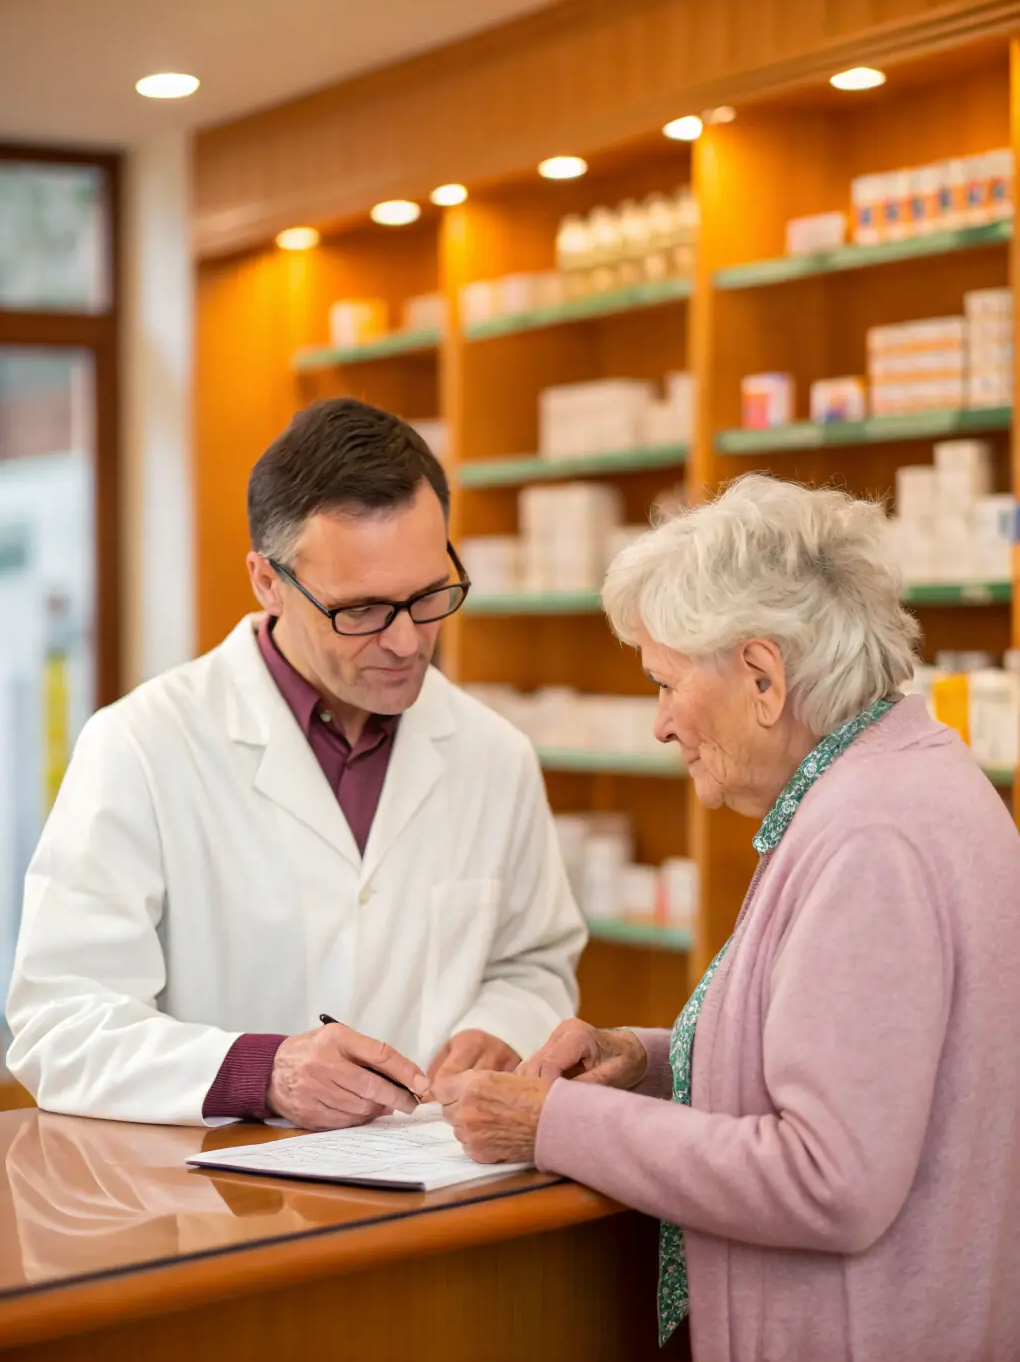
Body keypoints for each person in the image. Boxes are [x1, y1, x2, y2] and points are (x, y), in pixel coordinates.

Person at [436, 475, 1020, 1362]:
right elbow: (859, 1066)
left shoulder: (871, 836)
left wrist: (551, 1122)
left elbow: (828, 1178)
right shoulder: (897, 779)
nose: (661, 724)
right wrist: (652, 1062)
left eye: (666, 683)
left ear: (762, 676)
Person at [7, 398, 586, 1128]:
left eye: (428, 596)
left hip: (436, 1176)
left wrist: (502, 1024)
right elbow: (61, 1024)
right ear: (268, 581)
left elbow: (534, 963)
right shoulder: (141, 747)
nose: (406, 642)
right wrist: (261, 1073)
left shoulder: (493, 754)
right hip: (220, 1183)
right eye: (362, 610)